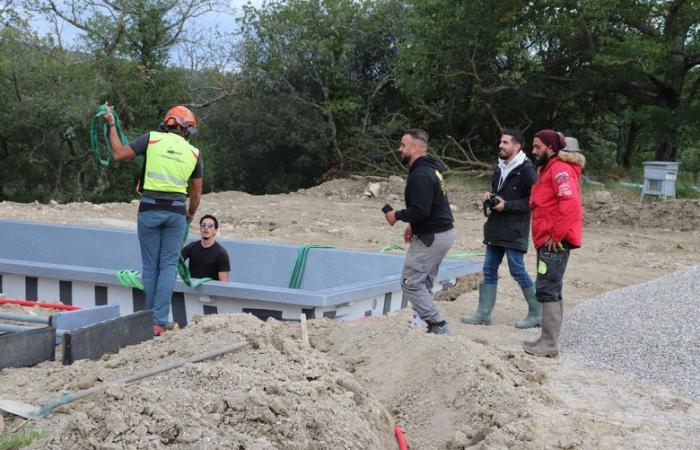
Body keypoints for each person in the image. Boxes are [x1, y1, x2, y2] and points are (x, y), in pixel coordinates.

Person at [103, 103, 203, 336]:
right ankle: (158, 321)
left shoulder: (152, 139)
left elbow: (118, 153)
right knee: (168, 266)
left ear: (168, 123)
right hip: (176, 213)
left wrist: (111, 124)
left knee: (150, 267)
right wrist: (189, 215)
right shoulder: (194, 153)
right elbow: (196, 194)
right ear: (187, 129)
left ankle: (148, 319)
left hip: (149, 210)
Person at [461, 129, 540, 328]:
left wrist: (507, 205)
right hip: (496, 227)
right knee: (488, 269)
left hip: (514, 229)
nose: (500, 145)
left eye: (505, 142)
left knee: (517, 270)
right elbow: (500, 194)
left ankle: (537, 312)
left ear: (516, 146)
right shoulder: (499, 167)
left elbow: (533, 201)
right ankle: (483, 313)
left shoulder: (526, 169)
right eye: (501, 142)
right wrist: (490, 197)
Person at [384, 129, 455, 334]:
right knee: (424, 281)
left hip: (431, 237)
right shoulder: (432, 169)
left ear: (415, 148)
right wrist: (413, 225)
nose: (399, 149)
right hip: (442, 233)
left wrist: (395, 215)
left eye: (403, 145)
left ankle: (437, 324)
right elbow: (431, 205)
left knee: (410, 283)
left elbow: (420, 210)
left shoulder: (421, 174)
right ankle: (421, 322)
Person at [524, 129, 585, 357]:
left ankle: (549, 343)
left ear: (550, 147)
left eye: (538, 146)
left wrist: (556, 235)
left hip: (554, 242)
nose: (534, 150)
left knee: (547, 288)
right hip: (548, 239)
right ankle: (546, 339)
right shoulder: (549, 169)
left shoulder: (559, 169)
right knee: (551, 287)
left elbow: (569, 203)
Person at [181, 214, 230, 282]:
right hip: (192, 289)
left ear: (215, 230)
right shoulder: (191, 247)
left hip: (210, 291)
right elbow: (177, 261)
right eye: (203, 225)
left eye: (210, 226)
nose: (206, 228)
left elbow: (223, 283)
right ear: (200, 229)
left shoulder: (221, 253)